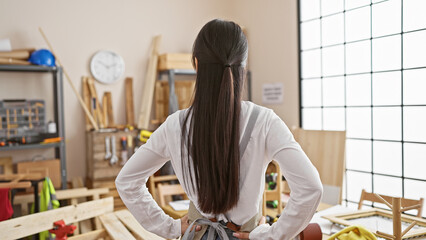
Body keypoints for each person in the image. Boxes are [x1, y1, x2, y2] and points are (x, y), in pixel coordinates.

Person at [115, 19, 323, 240]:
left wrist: (171, 228)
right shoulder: (264, 121)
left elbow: (127, 181)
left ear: (196, 63)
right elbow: (311, 188)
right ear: (243, 65)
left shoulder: (175, 125)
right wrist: (271, 236)